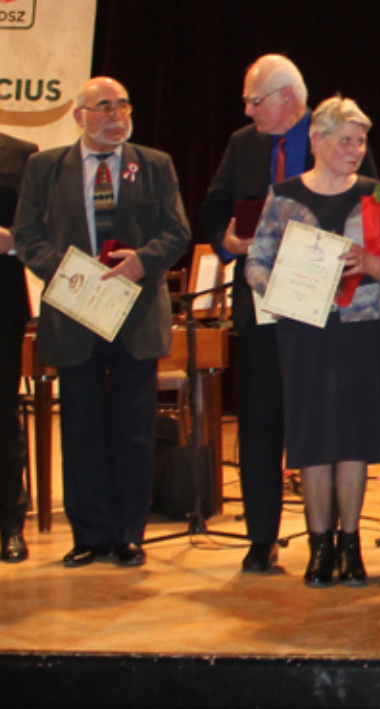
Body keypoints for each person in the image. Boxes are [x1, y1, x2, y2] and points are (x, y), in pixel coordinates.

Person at [203, 55, 376, 575]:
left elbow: (376, 229)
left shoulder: (343, 138)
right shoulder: (243, 144)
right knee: (260, 420)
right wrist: (228, 241)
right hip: (265, 309)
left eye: (255, 101)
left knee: (330, 426)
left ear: (287, 98)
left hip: (335, 317)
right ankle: (262, 537)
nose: (248, 111)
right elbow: (214, 207)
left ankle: (336, 537)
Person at [13, 77, 192, 569]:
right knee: (82, 429)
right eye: (105, 107)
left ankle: (128, 535)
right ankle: (89, 535)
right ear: (80, 117)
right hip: (75, 313)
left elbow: (176, 230)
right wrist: (69, 272)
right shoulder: (46, 168)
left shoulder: (154, 164)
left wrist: (142, 262)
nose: (117, 116)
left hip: (136, 314)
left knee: (134, 432)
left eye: (123, 106)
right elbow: (27, 235)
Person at [245, 96, 380, 588]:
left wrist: (375, 265)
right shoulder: (282, 195)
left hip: (363, 328)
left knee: (355, 437)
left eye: (360, 142)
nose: (355, 151)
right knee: (311, 437)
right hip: (304, 332)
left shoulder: (377, 194)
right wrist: (279, 290)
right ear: (317, 140)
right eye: (346, 141)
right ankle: (319, 546)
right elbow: (256, 261)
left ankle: (350, 544)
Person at [0, 130, 36, 563]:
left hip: (2, 302)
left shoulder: (20, 156)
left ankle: (10, 522)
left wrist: (11, 241)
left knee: (2, 414)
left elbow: (41, 228)